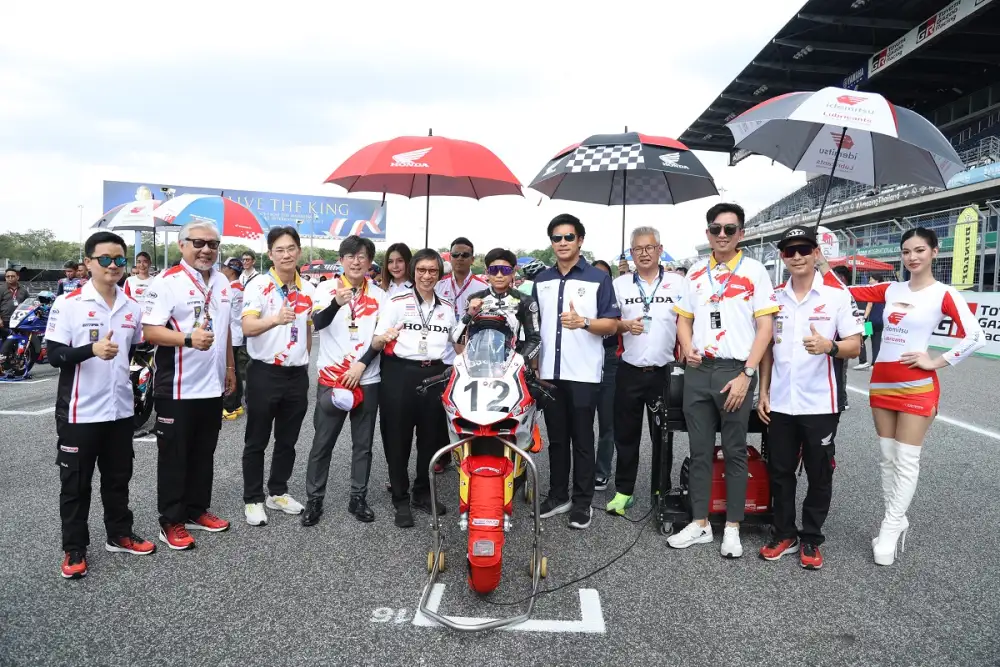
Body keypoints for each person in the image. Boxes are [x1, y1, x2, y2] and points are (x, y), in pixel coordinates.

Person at [817, 228, 985, 566]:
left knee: (906, 459)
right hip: (882, 383)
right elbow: (843, 291)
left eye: (920, 250)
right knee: (887, 457)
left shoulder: (944, 294)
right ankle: (896, 518)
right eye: (906, 251)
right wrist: (821, 264)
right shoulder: (891, 289)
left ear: (934, 251)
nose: (912, 257)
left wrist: (936, 361)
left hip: (917, 386)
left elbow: (976, 337)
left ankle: (891, 526)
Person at [668, 203, 778, 558]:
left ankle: (732, 526)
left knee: (734, 451)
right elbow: (684, 319)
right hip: (699, 370)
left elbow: (766, 327)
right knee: (699, 451)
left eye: (730, 229)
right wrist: (687, 346)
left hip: (735, 371)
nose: (722, 235)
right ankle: (700, 522)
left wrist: (748, 374)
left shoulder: (755, 271)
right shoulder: (695, 272)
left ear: (741, 233)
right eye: (716, 228)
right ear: (708, 233)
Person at [45, 231, 154, 579]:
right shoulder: (69, 303)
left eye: (119, 259)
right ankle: (74, 548)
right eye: (105, 259)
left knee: (118, 478)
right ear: (88, 262)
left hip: (120, 410)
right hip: (80, 411)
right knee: (75, 484)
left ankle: (119, 534)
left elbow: (134, 350)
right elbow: (54, 355)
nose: (113, 265)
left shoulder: (131, 306)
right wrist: (90, 350)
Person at [757, 226, 864, 570]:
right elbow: (767, 350)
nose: (798, 256)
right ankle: (784, 533)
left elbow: (855, 346)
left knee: (820, 473)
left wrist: (829, 346)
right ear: (782, 257)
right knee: (780, 471)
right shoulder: (773, 296)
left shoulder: (837, 295)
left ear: (816, 253)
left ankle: (811, 537)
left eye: (804, 249)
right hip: (781, 402)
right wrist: (763, 390)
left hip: (821, 403)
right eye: (790, 251)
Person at [142, 221, 237, 550]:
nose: (206, 249)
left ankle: (197, 510)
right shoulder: (167, 282)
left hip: (211, 385)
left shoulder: (222, 281)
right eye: (198, 243)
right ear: (182, 245)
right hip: (177, 387)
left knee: (203, 453)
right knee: (175, 456)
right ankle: (171, 521)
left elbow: (224, 330)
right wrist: (186, 339)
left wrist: (230, 368)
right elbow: (149, 331)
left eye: (213, 244)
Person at [532, 214, 620, 530]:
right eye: (557, 238)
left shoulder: (598, 279)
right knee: (557, 439)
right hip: (550, 374)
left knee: (582, 439)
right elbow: (534, 328)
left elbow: (612, 325)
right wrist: (534, 366)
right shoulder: (541, 280)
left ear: (580, 240)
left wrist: (583, 322)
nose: (563, 243)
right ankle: (558, 495)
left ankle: (582, 502)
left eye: (569, 237)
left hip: (583, 373)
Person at [303, 236, 387, 526]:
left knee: (363, 445)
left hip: (367, 378)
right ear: (341, 260)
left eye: (362, 256)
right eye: (350, 256)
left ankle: (358, 497)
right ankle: (314, 499)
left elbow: (380, 339)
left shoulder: (380, 295)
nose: (356, 261)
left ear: (369, 261)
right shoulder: (325, 288)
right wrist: (336, 304)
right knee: (322, 442)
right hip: (332, 378)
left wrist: (360, 368)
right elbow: (318, 323)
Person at [372, 248, 458, 528]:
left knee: (431, 439)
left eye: (433, 270)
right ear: (413, 271)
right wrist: (384, 337)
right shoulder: (396, 301)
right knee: (397, 438)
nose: (427, 276)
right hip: (400, 373)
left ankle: (422, 493)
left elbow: (457, 344)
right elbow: (376, 341)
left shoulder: (447, 307)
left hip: (435, 374)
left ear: (439, 274)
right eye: (421, 270)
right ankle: (400, 498)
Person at [240, 227, 315, 526]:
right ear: (270, 254)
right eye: (280, 250)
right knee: (256, 439)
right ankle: (252, 498)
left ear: (299, 251)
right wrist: (274, 320)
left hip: (297, 374)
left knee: (288, 439)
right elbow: (247, 328)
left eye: (291, 248)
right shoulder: (258, 285)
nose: (286, 254)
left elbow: (306, 329)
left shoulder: (308, 288)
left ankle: (278, 491)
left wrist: (304, 359)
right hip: (265, 373)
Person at [606, 228, 684, 515]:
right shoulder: (620, 284)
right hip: (629, 369)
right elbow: (609, 323)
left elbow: (688, 321)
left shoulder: (678, 282)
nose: (644, 253)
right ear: (631, 253)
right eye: (637, 249)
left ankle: (661, 488)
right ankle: (624, 491)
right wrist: (624, 325)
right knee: (626, 435)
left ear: (659, 249)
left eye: (649, 247)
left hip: (664, 371)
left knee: (663, 434)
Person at [456, 248, 541, 363]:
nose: (499, 275)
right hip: (476, 364)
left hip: (511, 364)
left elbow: (534, 339)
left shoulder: (525, 301)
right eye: (494, 270)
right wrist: (469, 314)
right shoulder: (473, 299)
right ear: (487, 272)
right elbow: (457, 338)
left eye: (505, 270)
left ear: (513, 272)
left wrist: (521, 362)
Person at [590, 260, 618, 492]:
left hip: (610, 360)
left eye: (604, 276)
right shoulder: (580, 299)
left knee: (607, 421)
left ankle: (602, 471)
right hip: (584, 360)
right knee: (582, 422)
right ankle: (584, 469)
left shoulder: (615, 299)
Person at [220, 258, 246, 420]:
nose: (222, 269)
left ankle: (229, 407)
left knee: (228, 371)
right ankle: (236, 405)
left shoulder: (230, 289)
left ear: (232, 270)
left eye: (224, 267)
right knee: (235, 371)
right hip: (238, 334)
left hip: (231, 335)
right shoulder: (240, 287)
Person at [436, 237, 487, 318]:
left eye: (465, 255)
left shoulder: (483, 287)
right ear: (450, 258)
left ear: (472, 259)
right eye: (455, 255)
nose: (460, 258)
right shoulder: (438, 285)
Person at [1, 267, 29, 339]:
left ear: (17, 277)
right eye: (8, 276)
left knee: (19, 341)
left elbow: (28, 304)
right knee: (6, 341)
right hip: (5, 321)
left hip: (19, 321)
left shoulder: (23, 290)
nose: (10, 278)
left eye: (12, 276)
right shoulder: (1, 289)